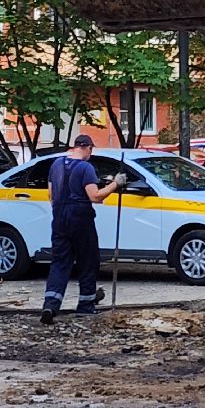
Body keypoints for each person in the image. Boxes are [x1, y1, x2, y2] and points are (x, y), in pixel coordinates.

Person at [41, 136, 127, 324]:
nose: (91, 153)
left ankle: (50, 305)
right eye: (91, 150)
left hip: (59, 217)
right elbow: (95, 196)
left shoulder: (56, 165)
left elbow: (51, 194)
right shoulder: (85, 168)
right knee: (88, 260)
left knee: (60, 262)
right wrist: (116, 183)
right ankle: (86, 306)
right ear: (87, 148)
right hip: (80, 218)